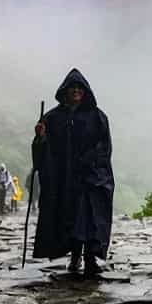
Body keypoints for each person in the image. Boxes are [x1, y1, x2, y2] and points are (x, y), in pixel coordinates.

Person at [32, 69, 114, 277]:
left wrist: (92, 163)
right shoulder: (52, 118)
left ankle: (90, 257)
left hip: (91, 177)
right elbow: (44, 150)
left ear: (85, 91)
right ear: (65, 91)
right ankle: (75, 254)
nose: (76, 91)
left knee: (89, 218)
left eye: (79, 88)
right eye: (72, 88)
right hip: (65, 179)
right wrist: (41, 138)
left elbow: (104, 146)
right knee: (71, 217)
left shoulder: (97, 117)